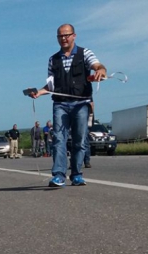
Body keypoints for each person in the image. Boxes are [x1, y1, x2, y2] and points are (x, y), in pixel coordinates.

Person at [30, 24, 106, 187]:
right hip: (60, 104)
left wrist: (100, 71)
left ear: (74, 36)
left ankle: (77, 174)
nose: (63, 38)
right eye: (60, 36)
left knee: (79, 140)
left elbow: (97, 66)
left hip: (81, 103)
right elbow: (51, 85)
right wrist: (39, 92)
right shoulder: (53, 60)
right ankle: (58, 175)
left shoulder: (85, 53)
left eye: (66, 35)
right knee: (58, 139)